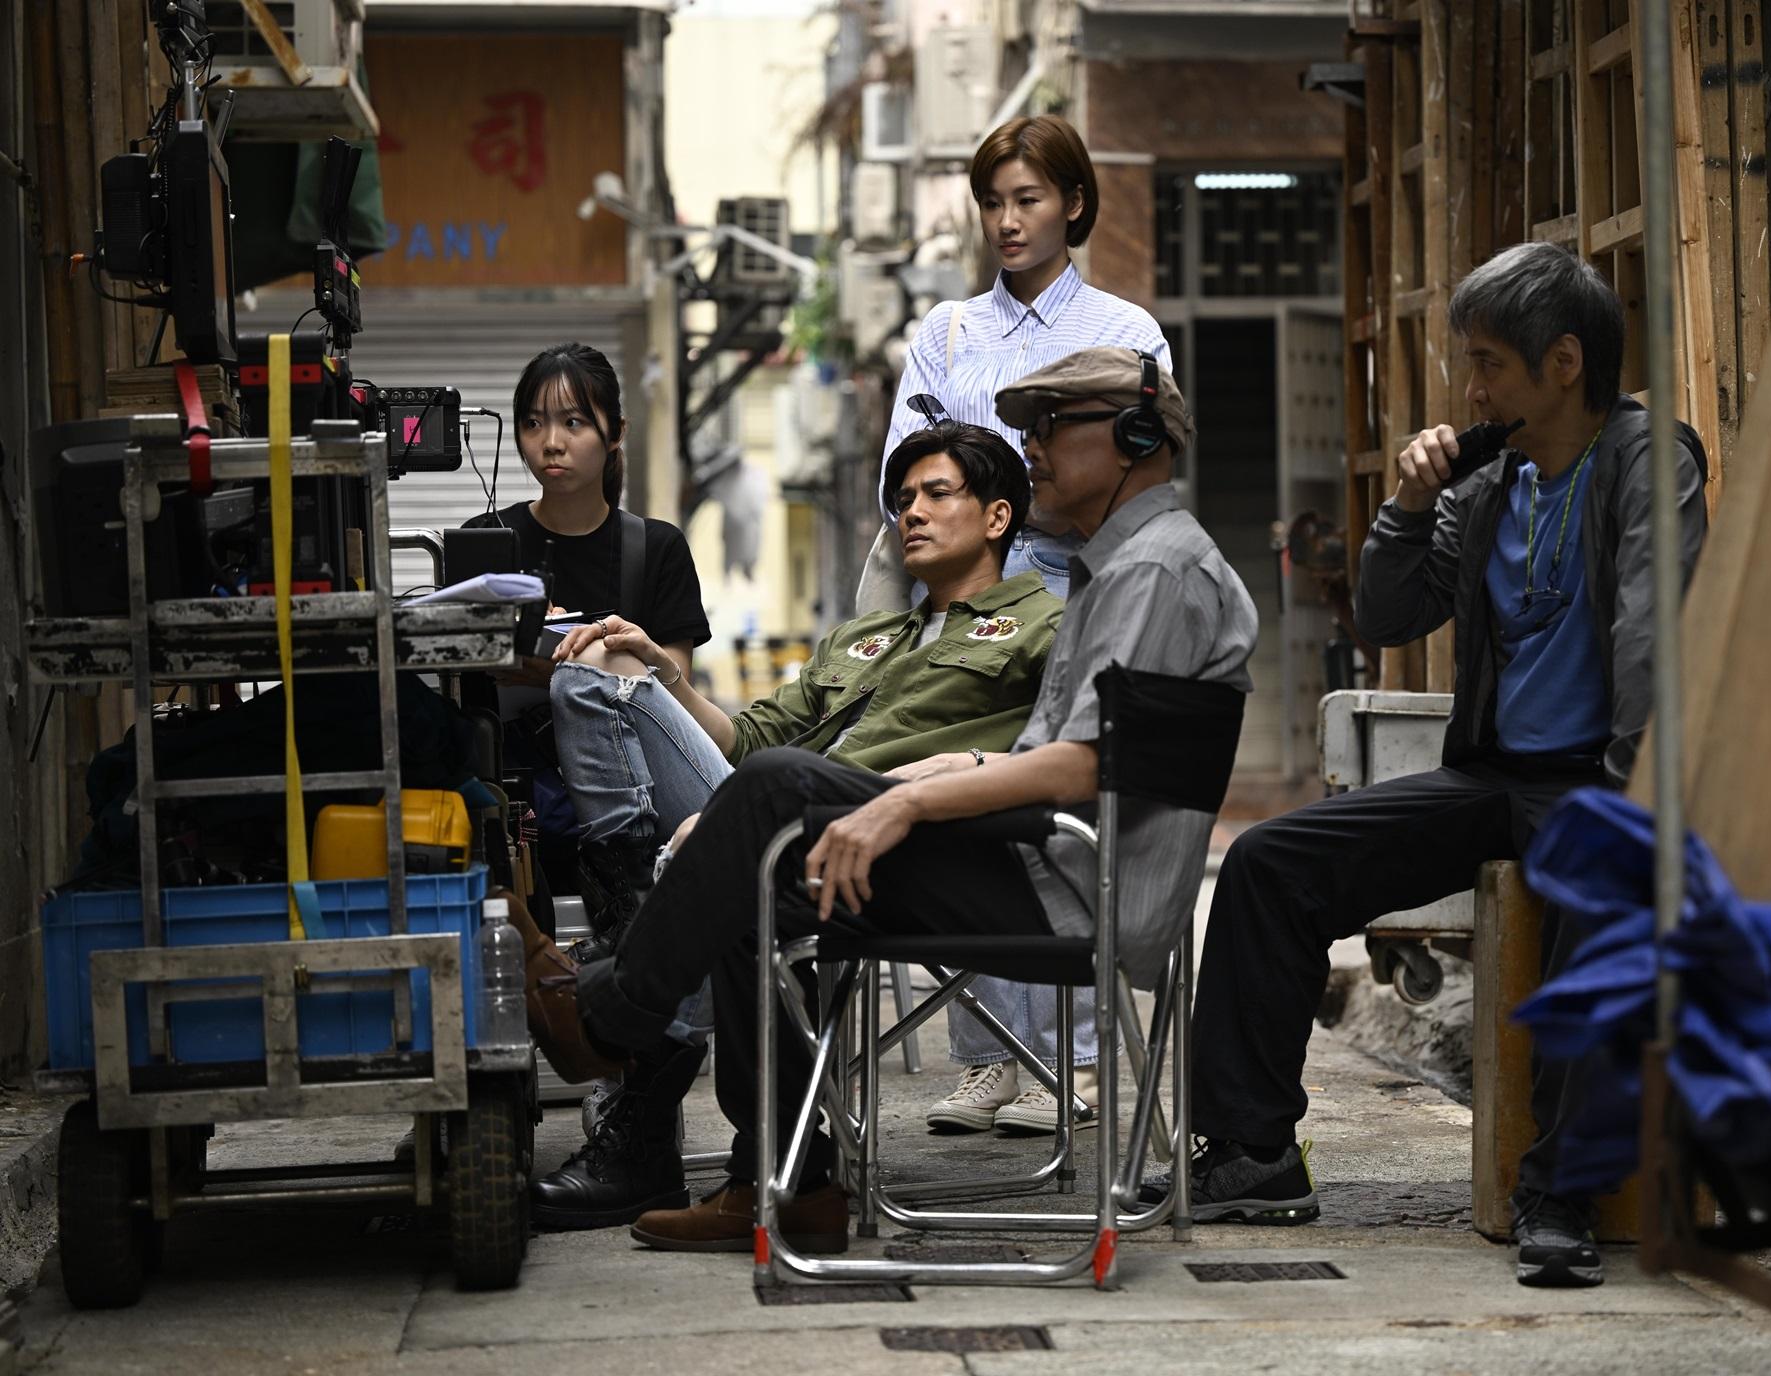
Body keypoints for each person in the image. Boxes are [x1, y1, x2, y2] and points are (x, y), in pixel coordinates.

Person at [557, 346, 1254, 1255]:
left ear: (1134, 436)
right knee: (752, 874)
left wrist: (910, 799)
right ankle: (786, 1180)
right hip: (1033, 858)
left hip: (1063, 881)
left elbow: (1085, 764)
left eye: (1051, 427)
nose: (1034, 448)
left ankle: (608, 1015)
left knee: (768, 794)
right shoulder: (1118, 568)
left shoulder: (1151, 572)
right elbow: (1069, 751)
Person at [1156, 242, 1708, 1290]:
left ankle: (1561, 1194)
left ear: (1564, 364)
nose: (1472, 391)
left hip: (1603, 778)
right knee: (1272, 864)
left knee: (1603, 901)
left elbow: (1651, 638)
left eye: (1489, 364)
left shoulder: (1646, 461)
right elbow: (1394, 614)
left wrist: (1627, 800)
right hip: (1495, 776)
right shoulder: (1488, 481)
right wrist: (1408, 509)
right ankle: (1254, 1152)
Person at [525, 421, 1064, 1230]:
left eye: (936, 494)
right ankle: (785, 1182)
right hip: (790, 828)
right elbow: (745, 740)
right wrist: (664, 674)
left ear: (996, 517)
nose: (911, 513)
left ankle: (614, 1012)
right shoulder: (864, 638)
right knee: (600, 676)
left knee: (757, 823)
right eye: (903, 499)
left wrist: (932, 775)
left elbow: (1055, 758)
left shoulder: (1045, 628)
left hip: (914, 848)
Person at [864, 113, 1172, 1136]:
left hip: (1083, 591)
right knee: (959, 809)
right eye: (993, 201)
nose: (1006, 220)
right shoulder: (947, 333)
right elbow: (903, 475)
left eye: (1027, 199)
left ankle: (1075, 1060)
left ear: (1074, 203)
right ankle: (991, 1055)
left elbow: (1144, 471)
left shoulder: (1128, 333)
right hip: (965, 604)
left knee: (1054, 816)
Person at [460, 342, 711, 948]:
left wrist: (573, 665)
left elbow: (671, 697)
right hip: (518, 795)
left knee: (603, 667)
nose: (551, 443)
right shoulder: (484, 542)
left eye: (574, 422)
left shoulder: (656, 548)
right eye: (533, 423)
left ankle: (629, 902)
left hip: (639, 793)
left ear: (616, 433)